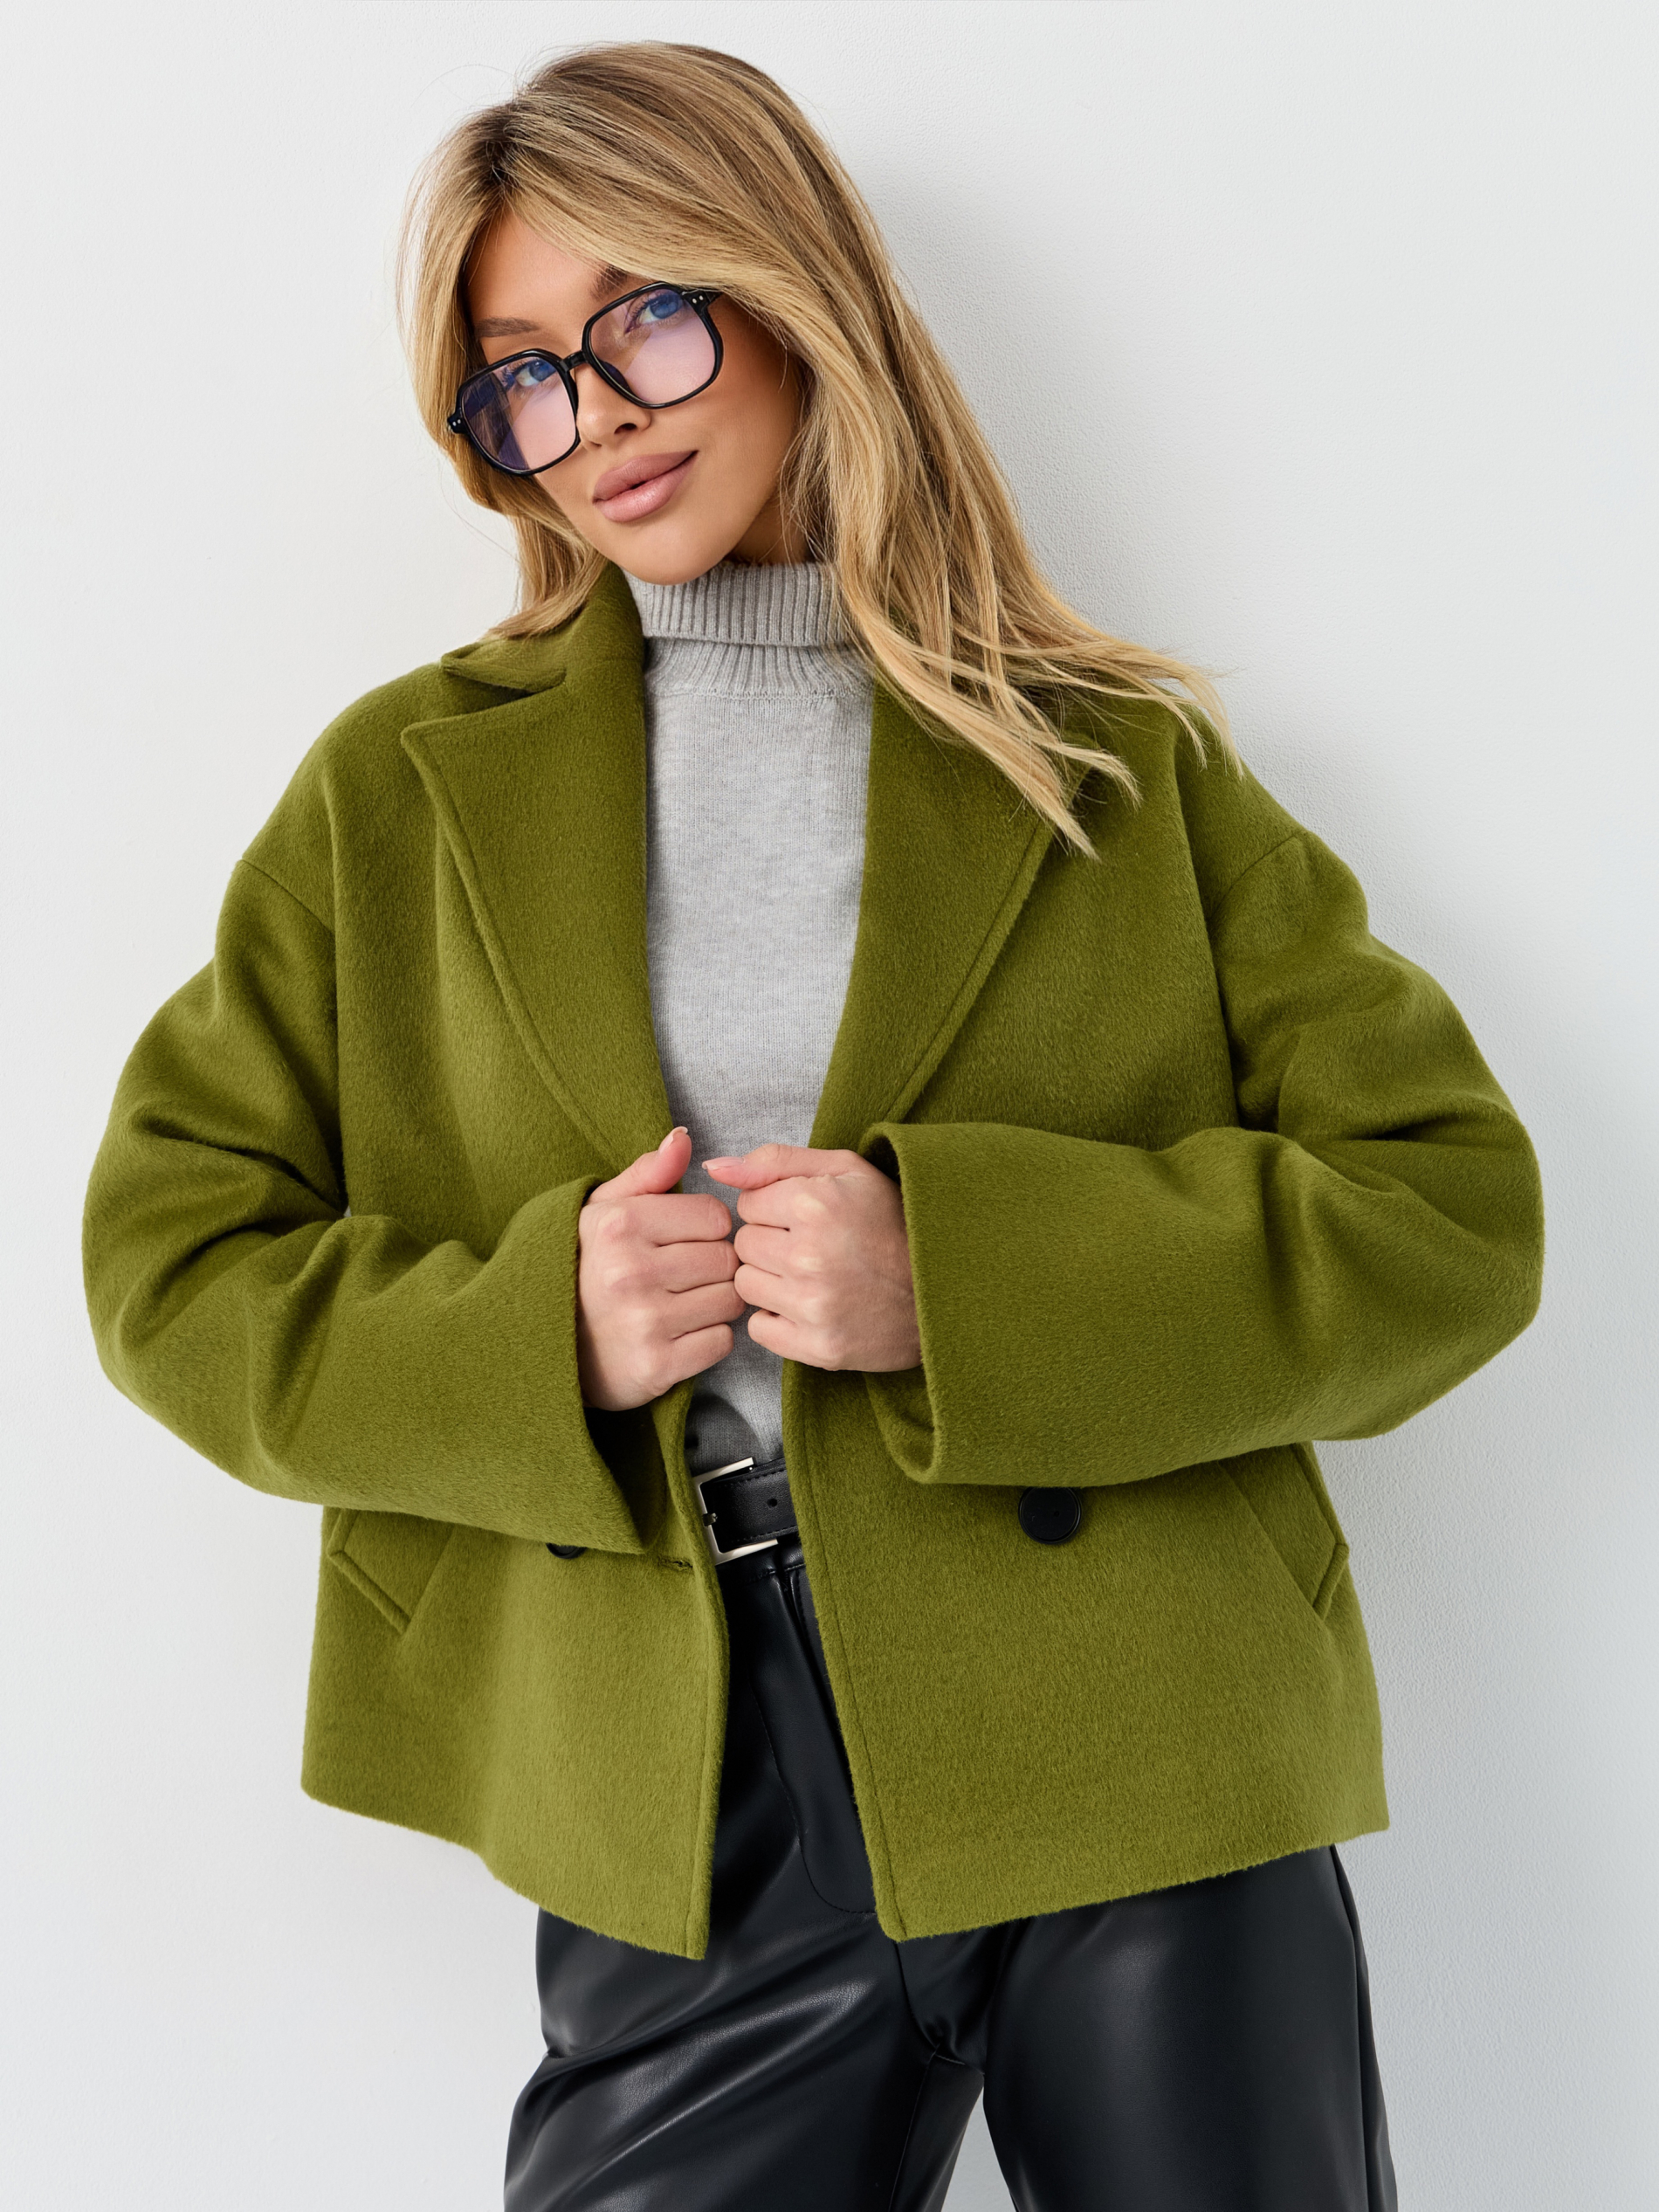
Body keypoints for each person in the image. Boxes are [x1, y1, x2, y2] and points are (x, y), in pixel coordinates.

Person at [81, 40, 1544, 2212]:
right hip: (681, 1785)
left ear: (791, 296)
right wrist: (537, 1334)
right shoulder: (400, 794)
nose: (595, 417)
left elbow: (1444, 1211)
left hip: (1134, 1732)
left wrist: (957, 1275)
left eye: (644, 322)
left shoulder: (1107, 763)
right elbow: (170, 1260)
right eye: (521, 379)